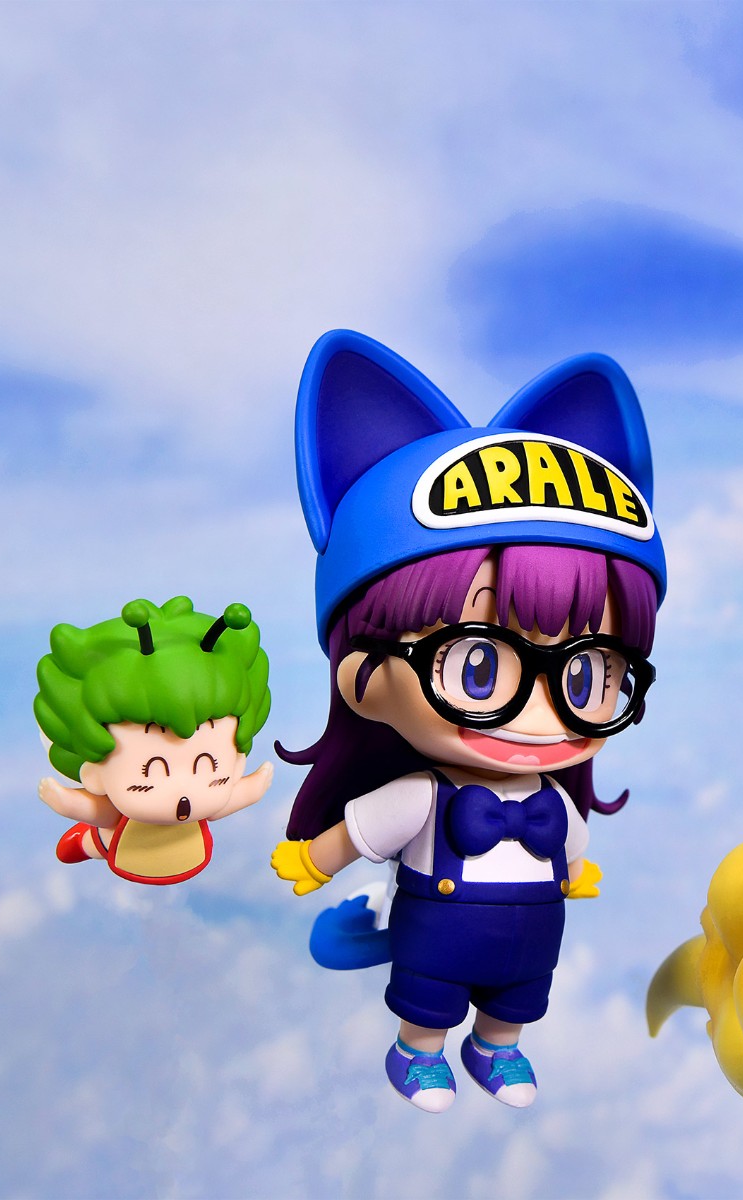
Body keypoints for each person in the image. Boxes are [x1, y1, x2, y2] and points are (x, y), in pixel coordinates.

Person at [270, 330, 664, 1114]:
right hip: (437, 929)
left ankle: (496, 1046)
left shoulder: (553, 804)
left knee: (519, 997)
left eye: (589, 674)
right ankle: (418, 1054)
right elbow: (362, 832)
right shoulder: (421, 796)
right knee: (428, 996)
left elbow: (571, 847)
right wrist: (317, 859)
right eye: (479, 667)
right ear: (361, 675)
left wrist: (575, 869)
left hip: (530, 934)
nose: (545, 711)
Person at [34, 596, 272, 885]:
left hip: (188, 850)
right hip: (119, 843)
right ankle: (85, 844)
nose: (184, 795)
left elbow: (231, 800)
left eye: (209, 766)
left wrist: (254, 786)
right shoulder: (110, 796)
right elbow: (99, 811)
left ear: (236, 762)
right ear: (94, 773)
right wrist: (63, 800)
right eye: (154, 771)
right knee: (101, 839)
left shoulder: (210, 800)